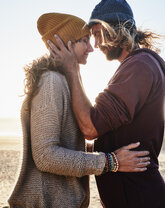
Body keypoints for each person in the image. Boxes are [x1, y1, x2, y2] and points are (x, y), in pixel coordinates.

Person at [7, 12, 149, 208]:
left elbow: (65, 143)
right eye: (84, 41)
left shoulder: (64, 81)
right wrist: (110, 162)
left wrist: (109, 150)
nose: (92, 48)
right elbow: (45, 156)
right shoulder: (51, 82)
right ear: (66, 44)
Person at [48, 0, 165, 208]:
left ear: (116, 28)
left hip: (140, 198)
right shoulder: (140, 64)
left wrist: (72, 69)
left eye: (96, 34)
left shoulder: (139, 66)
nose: (95, 44)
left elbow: (90, 127)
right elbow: (113, 136)